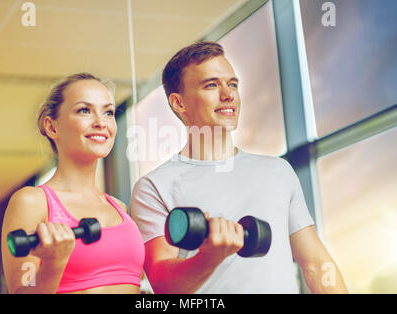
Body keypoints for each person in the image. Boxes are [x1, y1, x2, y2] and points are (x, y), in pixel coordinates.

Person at [130, 42, 347, 293]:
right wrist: (210, 257)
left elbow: (316, 265)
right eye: (211, 85)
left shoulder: (277, 171)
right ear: (179, 103)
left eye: (232, 84)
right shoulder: (155, 186)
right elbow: (163, 285)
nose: (228, 95)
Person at [1, 73, 145, 294]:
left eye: (108, 112)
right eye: (84, 110)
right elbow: (22, 289)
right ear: (52, 127)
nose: (100, 123)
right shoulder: (32, 202)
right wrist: (53, 264)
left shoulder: (120, 208)